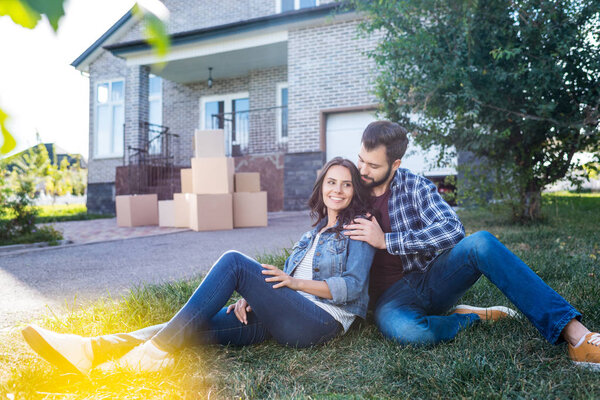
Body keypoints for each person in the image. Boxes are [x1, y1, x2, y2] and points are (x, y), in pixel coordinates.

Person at [22, 157, 376, 374]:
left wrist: (290, 286)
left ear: (353, 191)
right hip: (284, 316)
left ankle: (152, 355)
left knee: (235, 263)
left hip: (319, 323)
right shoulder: (313, 232)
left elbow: (353, 287)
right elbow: (284, 279)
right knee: (192, 326)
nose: (338, 190)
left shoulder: (359, 225)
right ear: (322, 186)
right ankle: (90, 349)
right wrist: (255, 297)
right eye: (332, 182)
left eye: (346, 184)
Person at [343, 120, 600, 370]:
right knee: (409, 332)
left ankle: (577, 336)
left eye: (373, 165)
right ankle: (469, 318)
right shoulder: (350, 187)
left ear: (395, 164)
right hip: (390, 301)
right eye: (361, 159)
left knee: (481, 243)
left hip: (429, 278)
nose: (363, 170)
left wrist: (386, 240)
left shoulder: (414, 186)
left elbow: (453, 229)